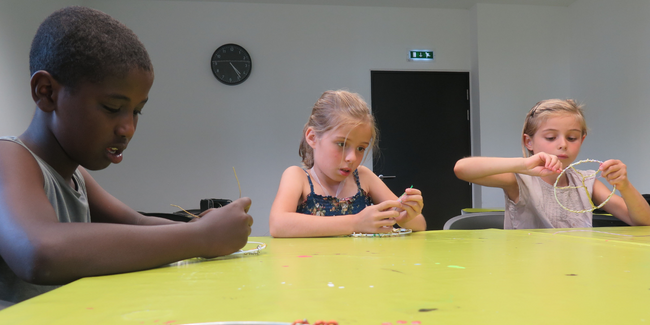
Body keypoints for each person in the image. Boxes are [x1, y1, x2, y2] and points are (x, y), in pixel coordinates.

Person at [0, 6, 253, 303]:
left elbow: (137, 224)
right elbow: (38, 251)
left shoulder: (77, 176)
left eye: (136, 111)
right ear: (46, 92)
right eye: (111, 108)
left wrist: (204, 227)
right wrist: (201, 238)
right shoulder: (9, 157)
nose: (128, 128)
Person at [454, 99, 650, 229]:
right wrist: (522, 165)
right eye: (550, 137)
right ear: (528, 142)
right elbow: (462, 170)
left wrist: (624, 186)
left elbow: (644, 221)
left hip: (575, 272)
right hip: (529, 273)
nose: (562, 145)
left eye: (572, 138)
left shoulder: (587, 181)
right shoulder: (520, 179)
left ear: (581, 140)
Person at [269, 90, 426, 237]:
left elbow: (420, 224)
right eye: (342, 144)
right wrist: (355, 223)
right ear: (312, 138)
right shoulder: (298, 177)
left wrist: (405, 217)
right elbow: (278, 224)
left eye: (360, 148)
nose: (352, 158)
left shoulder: (364, 177)